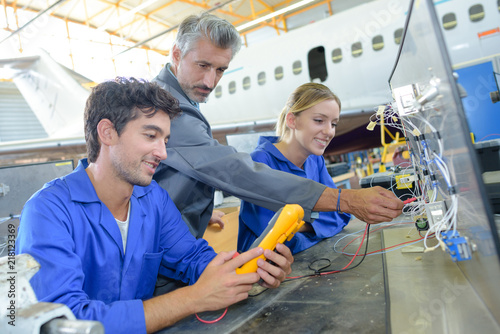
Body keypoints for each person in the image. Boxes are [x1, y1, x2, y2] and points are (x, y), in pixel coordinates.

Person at [15, 77, 293, 334]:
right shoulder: (47, 211)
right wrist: (193, 299)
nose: (162, 152)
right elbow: (65, 322)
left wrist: (252, 269)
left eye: (165, 140)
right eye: (151, 136)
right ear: (107, 133)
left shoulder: (152, 198)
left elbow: (193, 259)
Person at [152, 13, 404, 240]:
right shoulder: (163, 107)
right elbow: (231, 172)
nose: (210, 81)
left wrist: (197, 210)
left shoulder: (183, 100)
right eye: (203, 65)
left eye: (220, 70)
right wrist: (343, 199)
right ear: (176, 54)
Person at [239, 83, 351, 254]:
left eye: (334, 123)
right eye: (319, 121)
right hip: (261, 269)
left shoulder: (316, 160)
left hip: (306, 258)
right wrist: (319, 225)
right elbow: (274, 239)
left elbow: (341, 214)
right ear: (292, 120)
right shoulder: (260, 162)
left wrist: (301, 225)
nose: (329, 132)